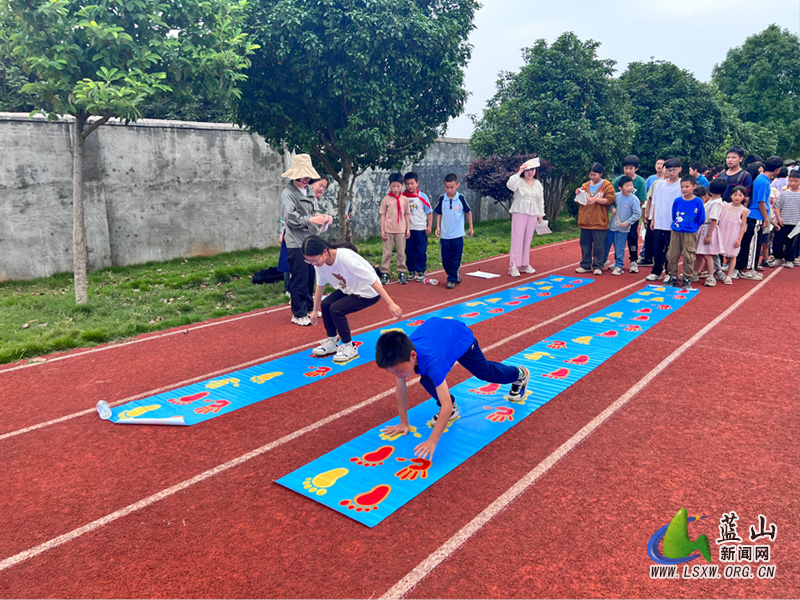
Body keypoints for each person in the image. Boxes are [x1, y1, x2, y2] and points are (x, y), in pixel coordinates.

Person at [375, 319, 531, 460]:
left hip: (460, 338)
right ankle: (454, 411)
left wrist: (432, 441)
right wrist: (403, 423)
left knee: (485, 373)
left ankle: (520, 374)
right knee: (426, 379)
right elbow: (401, 390)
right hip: (439, 337)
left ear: (413, 355)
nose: (398, 375)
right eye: (393, 372)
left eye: (400, 371)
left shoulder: (432, 362)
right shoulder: (399, 359)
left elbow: (446, 405)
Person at [303, 236, 403, 363]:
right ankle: (332, 341)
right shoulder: (319, 264)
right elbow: (320, 285)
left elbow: (372, 279)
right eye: (309, 261)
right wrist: (315, 310)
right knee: (327, 304)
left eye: (314, 260)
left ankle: (349, 346)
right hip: (350, 289)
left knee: (336, 309)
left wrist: (391, 303)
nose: (313, 264)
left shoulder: (345, 258)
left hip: (367, 292)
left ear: (324, 252)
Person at [281, 154, 333, 326]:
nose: (305, 180)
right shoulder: (288, 193)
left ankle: (310, 307)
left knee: (311, 275)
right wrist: (309, 220)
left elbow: (314, 210)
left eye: (308, 176)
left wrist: (323, 217)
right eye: (302, 176)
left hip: (310, 240)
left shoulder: (309, 190)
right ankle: (298, 312)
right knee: (299, 278)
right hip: (296, 242)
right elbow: (289, 217)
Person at [734, 156, 783, 280]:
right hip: (755, 216)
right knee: (752, 244)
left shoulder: (761, 179)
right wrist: (766, 219)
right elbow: (761, 201)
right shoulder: (764, 181)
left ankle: (746, 267)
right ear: (778, 170)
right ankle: (747, 269)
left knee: (752, 243)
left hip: (755, 215)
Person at [506, 157, 545, 277]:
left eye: (532, 170)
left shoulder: (538, 184)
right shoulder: (519, 181)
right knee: (517, 238)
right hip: (520, 211)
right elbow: (510, 184)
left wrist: (540, 214)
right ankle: (513, 266)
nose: (530, 172)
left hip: (532, 212)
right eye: (528, 170)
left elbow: (540, 200)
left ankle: (525, 264)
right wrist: (519, 171)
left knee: (527, 239)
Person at [645, 158, 683, 282]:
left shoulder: (682, 184)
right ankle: (656, 271)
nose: (671, 172)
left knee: (671, 249)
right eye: (669, 170)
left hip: (673, 222)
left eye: (674, 170)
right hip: (659, 221)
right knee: (657, 247)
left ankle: (669, 272)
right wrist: (653, 219)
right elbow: (655, 202)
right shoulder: (660, 184)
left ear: (679, 169)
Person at [664, 175, 705, 289]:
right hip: (676, 230)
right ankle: (672, 276)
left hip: (690, 232)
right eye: (682, 187)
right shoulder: (677, 201)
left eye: (687, 186)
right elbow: (674, 215)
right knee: (672, 254)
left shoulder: (698, 202)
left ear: (694, 187)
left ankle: (687, 277)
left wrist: (693, 226)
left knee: (689, 254)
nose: (684, 189)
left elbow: (701, 218)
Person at [434, 173, 474, 289]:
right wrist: (438, 227)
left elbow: (468, 211)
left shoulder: (461, 198)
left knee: (456, 258)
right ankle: (454, 274)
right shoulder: (442, 198)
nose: (449, 190)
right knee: (445, 260)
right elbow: (439, 213)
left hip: (458, 235)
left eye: (452, 187)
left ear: (457, 185)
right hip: (445, 235)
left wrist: (471, 227)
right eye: (447, 187)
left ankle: (451, 279)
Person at [574, 163, 615, 275]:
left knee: (599, 245)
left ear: (601, 174)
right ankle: (585, 265)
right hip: (584, 221)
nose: (592, 177)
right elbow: (579, 201)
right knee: (585, 244)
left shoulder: (607, 186)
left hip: (599, 221)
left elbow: (609, 200)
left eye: (595, 175)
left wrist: (596, 200)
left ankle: (598, 265)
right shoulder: (585, 186)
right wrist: (578, 194)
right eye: (591, 175)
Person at [611, 155, 647, 272]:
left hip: (632, 216)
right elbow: (614, 197)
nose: (627, 171)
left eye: (630, 168)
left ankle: (633, 261)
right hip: (619, 216)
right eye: (626, 168)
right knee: (617, 238)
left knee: (632, 237)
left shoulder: (640, 181)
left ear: (636, 168)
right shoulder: (618, 180)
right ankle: (618, 261)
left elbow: (642, 199)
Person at [606, 176, 642, 275]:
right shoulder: (616, 196)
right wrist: (612, 208)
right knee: (607, 245)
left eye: (631, 185)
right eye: (627, 186)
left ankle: (619, 265)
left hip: (623, 228)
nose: (630, 188)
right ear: (620, 188)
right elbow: (610, 204)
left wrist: (627, 222)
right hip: (612, 226)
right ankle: (604, 261)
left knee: (619, 247)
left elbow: (637, 214)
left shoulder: (634, 199)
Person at [379, 173, 411, 285]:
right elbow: (382, 215)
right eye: (393, 186)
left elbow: (407, 214)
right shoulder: (386, 199)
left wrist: (408, 229)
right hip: (388, 229)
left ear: (402, 186)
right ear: (389, 185)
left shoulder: (404, 199)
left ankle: (401, 271)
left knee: (401, 252)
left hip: (401, 230)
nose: (395, 188)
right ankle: (385, 272)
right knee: (387, 252)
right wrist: (382, 230)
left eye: (398, 186)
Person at [402, 172, 433, 282]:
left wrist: (429, 225)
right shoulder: (403, 197)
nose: (410, 186)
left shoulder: (422, 196)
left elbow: (429, 211)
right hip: (408, 229)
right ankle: (411, 270)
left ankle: (421, 270)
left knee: (420, 250)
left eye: (412, 183)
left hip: (420, 228)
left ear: (417, 183)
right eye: (407, 184)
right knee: (409, 250)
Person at [717, 186, 750, 284]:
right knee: (716, 253)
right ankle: (717, 272)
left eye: (740, 195)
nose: (737, 197)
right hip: (722, 233)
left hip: (733, 235)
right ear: (731, 195)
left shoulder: (743, 211)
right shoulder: (725, 206)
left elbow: (743, 226)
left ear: (744, 197)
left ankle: (729, 276)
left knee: (732, 255)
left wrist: (739, 239)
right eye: (735, 195)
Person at [694, 181, 723, 287]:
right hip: (704, 228)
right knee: (699, 253)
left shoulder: (716, 203)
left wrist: (709, 235)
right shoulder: (712, 201)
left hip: (709, 228)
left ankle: (710, 276)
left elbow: (714, 219)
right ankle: (694, 272)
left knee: (708, 254)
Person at [640, 156, 667, 267]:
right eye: (658, 164)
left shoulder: (678, 184)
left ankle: (663, 260)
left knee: (663, 240)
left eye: (662, 164)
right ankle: (648, 258)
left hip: (665, 216)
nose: (660, 166)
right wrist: (646, 213)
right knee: (650, 238)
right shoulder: (655, 182)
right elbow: (649, 198)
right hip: (653, 214)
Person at [769, 169, 800, 268]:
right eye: (791, 181)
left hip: (796, 223)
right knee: (778, 240)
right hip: (783, 221)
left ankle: (789, 259)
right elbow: (777, 205)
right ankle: (778, 258)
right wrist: (778, 217)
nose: (793, 183)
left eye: (796, 181)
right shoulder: (784, 194)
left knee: (792, 243)